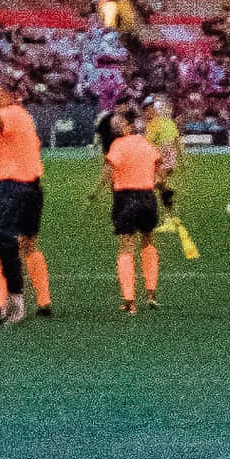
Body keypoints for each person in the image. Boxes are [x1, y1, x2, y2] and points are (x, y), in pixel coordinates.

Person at [0, 85, 51, 323]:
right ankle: (44, 301)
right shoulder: (25, 116)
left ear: (9, 96)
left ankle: (5, 303)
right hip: (33, 186)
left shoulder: (8, 113)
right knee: (30, 244)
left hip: (10, 186)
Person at [100, 110, 165, 312]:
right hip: (147, 196)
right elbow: (160, 171)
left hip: (125, 198)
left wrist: (98, 190)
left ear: (127, 126)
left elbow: (108, 172)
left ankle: (129, 300)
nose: (116, 126)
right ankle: (151, 294)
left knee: (126, 247)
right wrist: (160, 186)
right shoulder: (146, 144)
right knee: (148, 242)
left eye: (120, 122)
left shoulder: (118, 145)